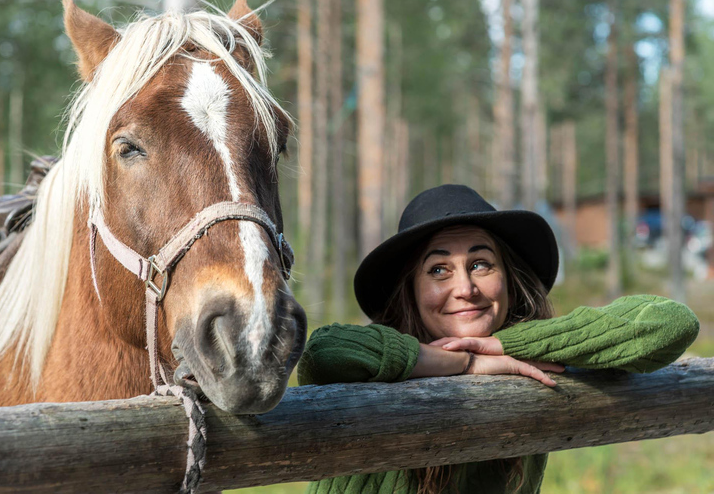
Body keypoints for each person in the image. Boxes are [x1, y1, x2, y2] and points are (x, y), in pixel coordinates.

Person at [297, 184, 699, 494]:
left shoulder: (540, 357)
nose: (465, 288)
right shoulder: (381, 356)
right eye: (438, 270)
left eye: (480, 264)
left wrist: (508, 346)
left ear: (508, 279)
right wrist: (466, 362)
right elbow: (321, 352)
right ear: (412, 291)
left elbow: (670, 322)